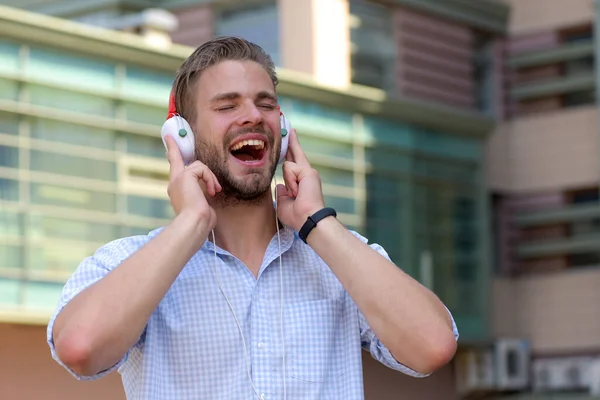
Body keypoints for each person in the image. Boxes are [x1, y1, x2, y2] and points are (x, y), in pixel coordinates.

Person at [47, 36, 459, 400]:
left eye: (267, 104)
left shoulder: (337, 253)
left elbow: (433, 346)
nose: (254, 116)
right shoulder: (128, 261)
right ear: (182, 138)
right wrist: (191, 223)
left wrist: (317, 222)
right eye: (228, 105)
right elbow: (79, 349)